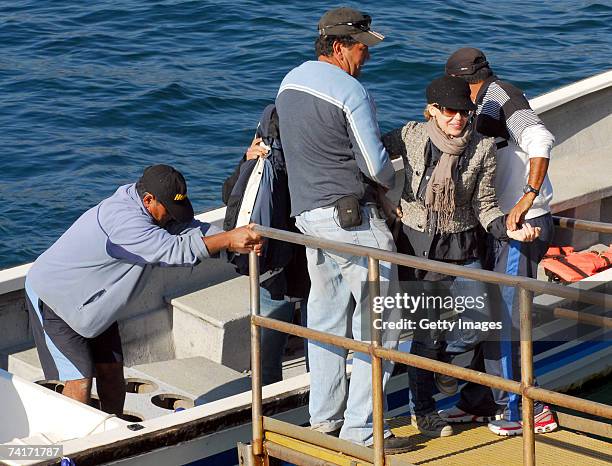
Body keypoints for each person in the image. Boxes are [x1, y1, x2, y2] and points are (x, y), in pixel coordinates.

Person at [275, 7, 412, 454]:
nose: (366, 56)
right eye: (361, 48)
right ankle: (364, 431)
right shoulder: (350, 90)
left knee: (328, 321)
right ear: (338, 48)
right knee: (382, 326)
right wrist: (393, 180)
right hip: (353, 221)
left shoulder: (288, 83)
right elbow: (375, 166)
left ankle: (325, 420)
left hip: (309, 221)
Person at [25, 164, 262, 415]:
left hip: (94, 307)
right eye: (169, 211)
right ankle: (72, 447)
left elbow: (190, 229)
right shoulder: (123, 221)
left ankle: (113, 430)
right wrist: (226, 240)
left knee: (113, 372)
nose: (172, 216)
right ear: (148, 200)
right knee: (80, 380)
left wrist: (234, 240)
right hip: (55, 299)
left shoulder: (151, 208)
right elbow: (172, 250)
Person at [383, 75, 541, 438]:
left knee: (480, 318)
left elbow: (484, 205)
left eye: (465, 113)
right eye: (451, 112)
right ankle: (423, 412)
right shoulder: (411, 135)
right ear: (433, 111)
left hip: (463, 243)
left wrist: (508, 227)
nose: (459, 119)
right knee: (425, 330)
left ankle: (445, 364)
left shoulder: (482, 147)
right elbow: (365, 154)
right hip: (418, 244)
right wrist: (381, 200)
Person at [440, 47, 558, 436]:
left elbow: (540, 138)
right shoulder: (478, 104)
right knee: (481, 310)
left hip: (521, 223)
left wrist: (527, 196)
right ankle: (479, 400)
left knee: (503, 319)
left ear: (460, 81)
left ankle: (529, 408)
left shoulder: (502, 95)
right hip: (493, 225)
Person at [222, 105, 310, 385]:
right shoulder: (312, 155)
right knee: (316, 340)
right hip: (298, 262)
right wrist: (248, 162)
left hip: (273, 264)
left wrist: (249, 163)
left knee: (269, 345)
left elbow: (231, 196)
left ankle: (270, 398)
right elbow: (231, 194)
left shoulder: (266, 155)